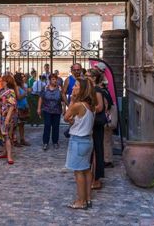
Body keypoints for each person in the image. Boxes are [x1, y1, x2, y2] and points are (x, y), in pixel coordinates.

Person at [64, 78, 96, 210]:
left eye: (76, 86)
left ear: (81, 89)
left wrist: (72, 99)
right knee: (86, 170)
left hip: (78, 141)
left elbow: (66, 117)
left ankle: (81, 201)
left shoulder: (78, 105)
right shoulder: (91, 105)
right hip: (88, 140)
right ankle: (88, 198)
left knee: (78, 172)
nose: (73, 88)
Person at [87, 68, 108, 190]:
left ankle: (96, 178)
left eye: (88, 75)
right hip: (92, 121)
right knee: (92, 149)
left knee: (96, 149)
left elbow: (100, 107)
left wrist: (87, 108)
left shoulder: (97, 90)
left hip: (96, 122)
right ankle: (92, 176)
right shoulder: (91, 89)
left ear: (94, 78)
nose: (86, 77)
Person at [93, 62, 114, 168]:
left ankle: (107, 160)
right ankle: (107, 159)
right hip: (106, 116)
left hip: (105, 117)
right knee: (106, 139)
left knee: (105, 139)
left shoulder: (101, 90)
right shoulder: (104, 88)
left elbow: (104, 106)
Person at [37, 73, 63, 150]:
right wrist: (38, 108)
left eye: (56, 79)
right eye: (53, 79)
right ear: (50, 80)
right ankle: (45, 142)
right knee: (47, 126)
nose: (55, 81)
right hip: (47, 110)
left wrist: (65, 108)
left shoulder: (59, 88)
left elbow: (62, 99)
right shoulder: (45, 88)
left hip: (57, 110)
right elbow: (41, 98)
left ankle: (55, 142)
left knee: (56, 127)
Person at [14, 72, 30, 146]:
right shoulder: (16, 87)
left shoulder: (22, 86)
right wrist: (25, 93)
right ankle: (15, 140)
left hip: (23, 108)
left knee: (22, 125)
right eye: (22, 77)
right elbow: (18, 97)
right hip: (18, 108)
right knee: (16, 125)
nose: (24, 78)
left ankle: (22, 139)